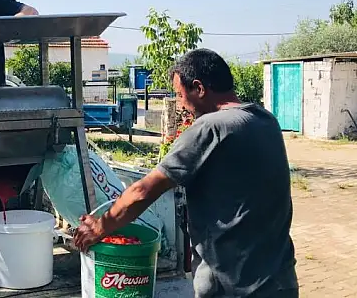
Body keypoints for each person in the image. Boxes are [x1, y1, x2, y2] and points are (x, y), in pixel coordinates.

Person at [73, 48, 299, 298]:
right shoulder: (265, 120)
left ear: (199, 89)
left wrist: (100, 227)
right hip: (279, 282)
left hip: (233, 286)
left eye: (180, 95)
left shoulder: (212, 127)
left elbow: (143, 191)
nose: (181, 105)